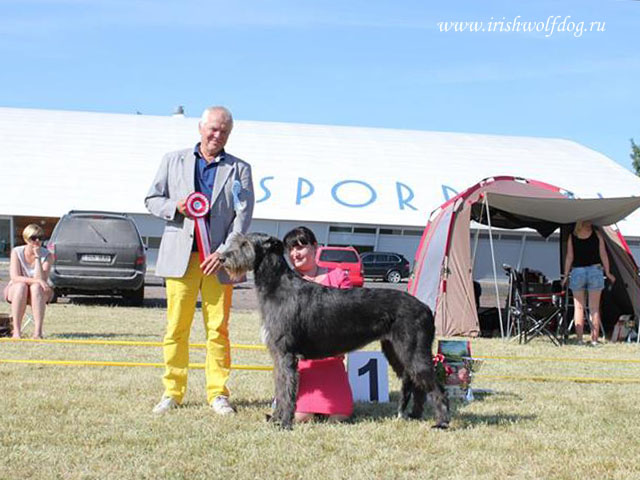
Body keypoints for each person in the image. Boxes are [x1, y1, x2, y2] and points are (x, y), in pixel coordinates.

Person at [145, 106, 254, 415]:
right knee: (176, 328)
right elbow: (151, 199)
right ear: (200, 128)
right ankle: (172, 391)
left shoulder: (240, 169)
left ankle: (218, 393)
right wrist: (175, 206)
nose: (217, 135)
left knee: (218, 330)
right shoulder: (172, 160)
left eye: (224, 131)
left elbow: (242, 218)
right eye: (213, 129)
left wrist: (223, 253)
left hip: (219, 263)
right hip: (180, 260)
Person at [282, 226, 354, 422]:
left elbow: (350, 314)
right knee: (302, 417)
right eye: (290, 249)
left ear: (315, 247)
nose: (294, 254)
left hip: (332, 359)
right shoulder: (286, 282)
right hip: (303, 363)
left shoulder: (338, 276)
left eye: (300, 247)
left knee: (340, 416)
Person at [563, 220, 615, 346]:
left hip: (577, 272)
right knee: (594, 309)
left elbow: (569, 257)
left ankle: (580, 339)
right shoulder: (597, 235)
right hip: (595, 271)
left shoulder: (572, 236)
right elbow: (603, 255)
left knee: (578, 307)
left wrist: (565, 276)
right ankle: (594, 340)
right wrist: (608, 272)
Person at [3, 224, 53, 339]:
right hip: (17, 290)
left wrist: (37, 258)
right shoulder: (16, 252)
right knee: (21, 286)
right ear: (26, 239)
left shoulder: (47, 255)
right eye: (33, 238)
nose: (37, 241)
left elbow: (42, 280)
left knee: (36, 288)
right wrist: (37, 281)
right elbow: (15, 277)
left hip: (39, 292)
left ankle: (38, 332)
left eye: (40, 237)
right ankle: (16, 332)